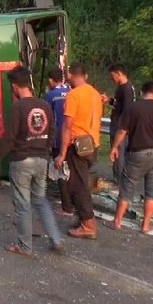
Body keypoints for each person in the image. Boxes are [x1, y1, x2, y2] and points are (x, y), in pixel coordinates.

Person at [0, 66, 62, 256]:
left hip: (22, 161)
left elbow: (10, 138)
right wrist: (45, 152)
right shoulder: (45, 105)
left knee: (23, 205)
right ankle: (56, 238)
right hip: (41, 160)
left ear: (15, 86)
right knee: (40, 200)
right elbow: (53, 131)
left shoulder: (19, 108)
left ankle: (25, 246)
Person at [105, 80, 153, 233]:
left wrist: (114, 147)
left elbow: (122, 131)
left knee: (127, 187)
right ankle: (146, 225)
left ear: (142, 92)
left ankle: (117, 221)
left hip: (137, 154)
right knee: (152, 191)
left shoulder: (134, 108)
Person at [54, 62, 103, 239]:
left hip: (77, 146)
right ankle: (83, 218)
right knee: (81, 183)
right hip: (92, 144)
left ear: (70, 76)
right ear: (86, 75)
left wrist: (61, 152)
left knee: (77, 186)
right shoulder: (95, 94)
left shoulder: (73, 95)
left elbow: (67, 126)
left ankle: (88, 224)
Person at [100, 64, 136, 187]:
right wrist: (109, 100)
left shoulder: (126, 89)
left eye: (112, 75)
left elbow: (126, 110)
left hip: (120, 126)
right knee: (119, 153)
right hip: (118, 124)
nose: (112, 78)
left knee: (118, 153)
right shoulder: (122, 88)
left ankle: (120, 181)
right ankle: (119, 178)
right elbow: (119, 104)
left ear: (119, 73)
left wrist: (122, 128)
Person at [44, 68, 72, 216]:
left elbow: (47, 119)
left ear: (50, 80)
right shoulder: (72, 91)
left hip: (58, 140)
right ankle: (74, 202)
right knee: (72, 171)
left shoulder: (51, 95)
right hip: (73, 139)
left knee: (61, 172)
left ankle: (66, 207)